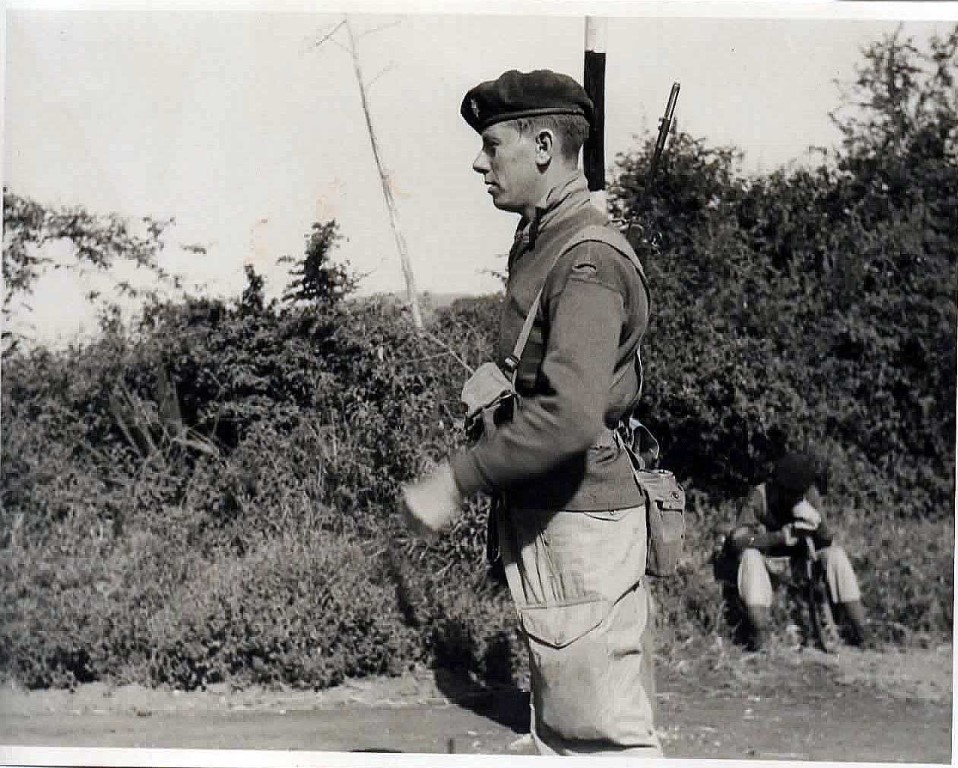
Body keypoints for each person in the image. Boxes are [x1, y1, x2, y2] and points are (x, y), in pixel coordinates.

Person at [401, 69, 661, 756]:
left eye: (493, 146)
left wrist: (456, 478)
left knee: (601, 744)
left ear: (544, 146)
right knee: (566, 733)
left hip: (581, 523)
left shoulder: (585, 258)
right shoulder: (543, 238)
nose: (479, 162)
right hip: (554, 518)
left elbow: (571, 415)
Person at [725, 451, 867, 651]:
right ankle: (760, 634)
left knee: (836, 555)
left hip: (801, 563)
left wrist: (815, 522)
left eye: (798, 493)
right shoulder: (760, 495)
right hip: (770, 564)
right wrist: (778, 537)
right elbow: (738, 540)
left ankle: (861, 630)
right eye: (790, 493)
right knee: (750, 557)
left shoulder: (809, 494)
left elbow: (826, 539)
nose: (794, 497)